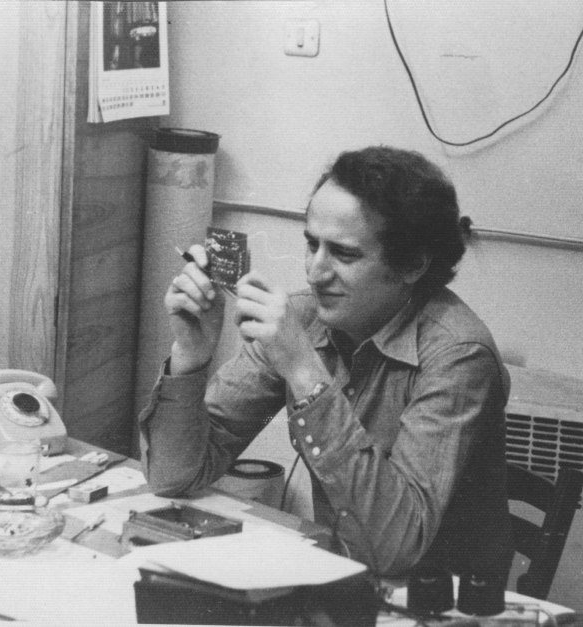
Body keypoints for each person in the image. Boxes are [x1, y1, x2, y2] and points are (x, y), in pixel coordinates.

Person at [138, 146, 514, 586]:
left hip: (440, 596)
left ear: (412, 264)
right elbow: (173, 478)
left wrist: (304, 371)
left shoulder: (459, 355)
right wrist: (190, 356)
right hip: (346, 572)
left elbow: (396, 549)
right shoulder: (304, 317)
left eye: (344, 254)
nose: (315, 273)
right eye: (312, 244)